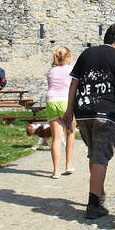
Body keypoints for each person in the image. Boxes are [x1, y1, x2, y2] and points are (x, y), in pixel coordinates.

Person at [65, 25, 115, 220]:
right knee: (100, 157)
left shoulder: (86, 54)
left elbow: (73, 83)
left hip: (82, 113)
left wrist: (69, 110)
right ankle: (93, 204)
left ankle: (98, 193)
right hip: (104, 113)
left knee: (95, 154)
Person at [44, 46, 77, 179]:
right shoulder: (71, 69)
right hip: (65, 101)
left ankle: (56, 171)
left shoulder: (50, 71)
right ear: (68, 57)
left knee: (56, 138)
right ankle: (68, 165)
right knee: (70, 132)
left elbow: (50, 86)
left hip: (51, 101)